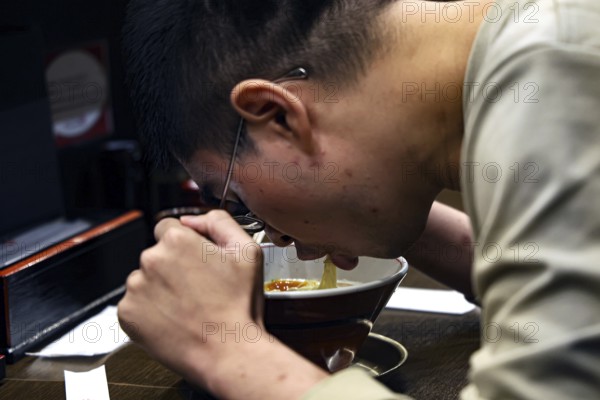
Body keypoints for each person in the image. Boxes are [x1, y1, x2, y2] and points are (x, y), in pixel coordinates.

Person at [117, 0, 600, 398]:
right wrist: (354, 219)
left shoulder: (551, 63)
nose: (278, 238)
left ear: (277, 115)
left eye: (236, 199)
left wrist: (220, 348)